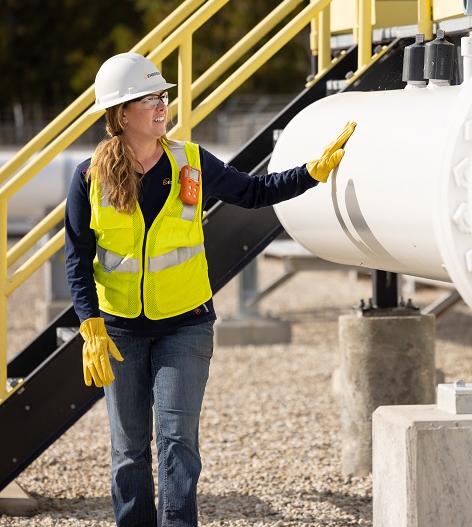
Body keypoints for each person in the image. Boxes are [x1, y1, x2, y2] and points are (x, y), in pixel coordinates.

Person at [64, 52, 355, 527]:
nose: (162, 107)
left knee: (178, 439)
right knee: (129, 448)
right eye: (148, 100)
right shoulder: (89, 179)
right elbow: (76, 258)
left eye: (162, 98)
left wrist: (311, 173)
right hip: (119, 331)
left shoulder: (191, 161)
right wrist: (90, 325)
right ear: (120, 114)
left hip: (187, 324)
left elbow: (254, 191)